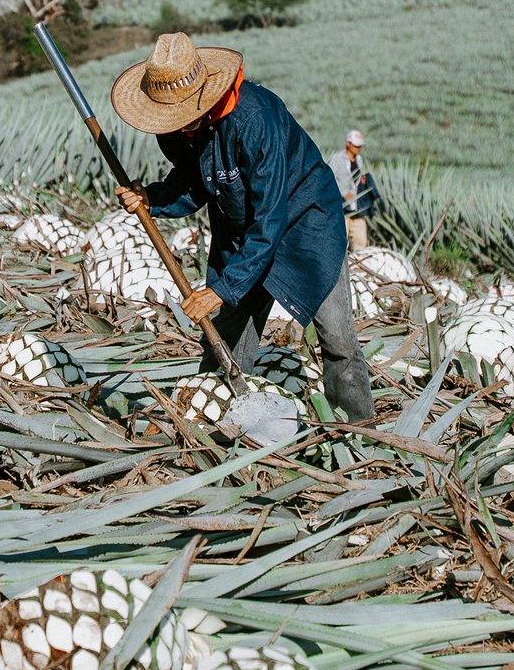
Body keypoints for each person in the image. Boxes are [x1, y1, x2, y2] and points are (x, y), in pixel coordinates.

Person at [112, 32, 373, 421]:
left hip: (305, 226)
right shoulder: (175, 127)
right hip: (239, 232)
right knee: (225, 340)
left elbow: (270, 218)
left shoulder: (255, 119)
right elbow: (193, 179)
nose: (175, 125)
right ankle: (211, 420)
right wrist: (152, 197)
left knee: (337, 338)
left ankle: (357, 429)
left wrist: (222, 288)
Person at [325, 128, 375, 249]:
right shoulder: (336, 159)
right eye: (356, 146)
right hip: (342, 209)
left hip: (357, 208)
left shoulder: (359, 160)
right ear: (348, 144)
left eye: (360, 146)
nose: (358, 149)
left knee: (361, 242)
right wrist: (343, 193)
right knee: (340, 244)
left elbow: (355, 181)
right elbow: (328, 178)